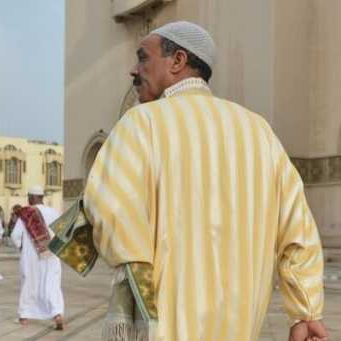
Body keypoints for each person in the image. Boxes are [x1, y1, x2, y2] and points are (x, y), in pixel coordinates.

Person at [78, 21, 327, 340]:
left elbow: (109, 208)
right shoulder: (259, 132)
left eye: (143, 58)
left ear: (178, 61)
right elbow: (298, 230)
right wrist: (305, 314)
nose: (133, 70)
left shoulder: (142, 122)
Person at [11, 186, 65, 330]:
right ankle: (57, 314)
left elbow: (15, 236)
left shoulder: (26, 213)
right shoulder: (54, 212)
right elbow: (61, 233)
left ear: (32, 197)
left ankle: (24, 316)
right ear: (42, 197)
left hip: (30, 256)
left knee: (29, 283)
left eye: (29, 197)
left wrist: (21, 247)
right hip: (51, 254)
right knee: (51, 284)